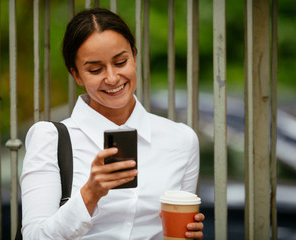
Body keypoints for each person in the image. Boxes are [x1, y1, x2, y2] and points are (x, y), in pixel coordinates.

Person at [20, 8, 205, 239]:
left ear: (135, 57)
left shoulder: (180, 139)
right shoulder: (49, 138)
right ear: (76, 75)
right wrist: (90, 193)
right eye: (95, 69)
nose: (112, 78)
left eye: (121, 62)